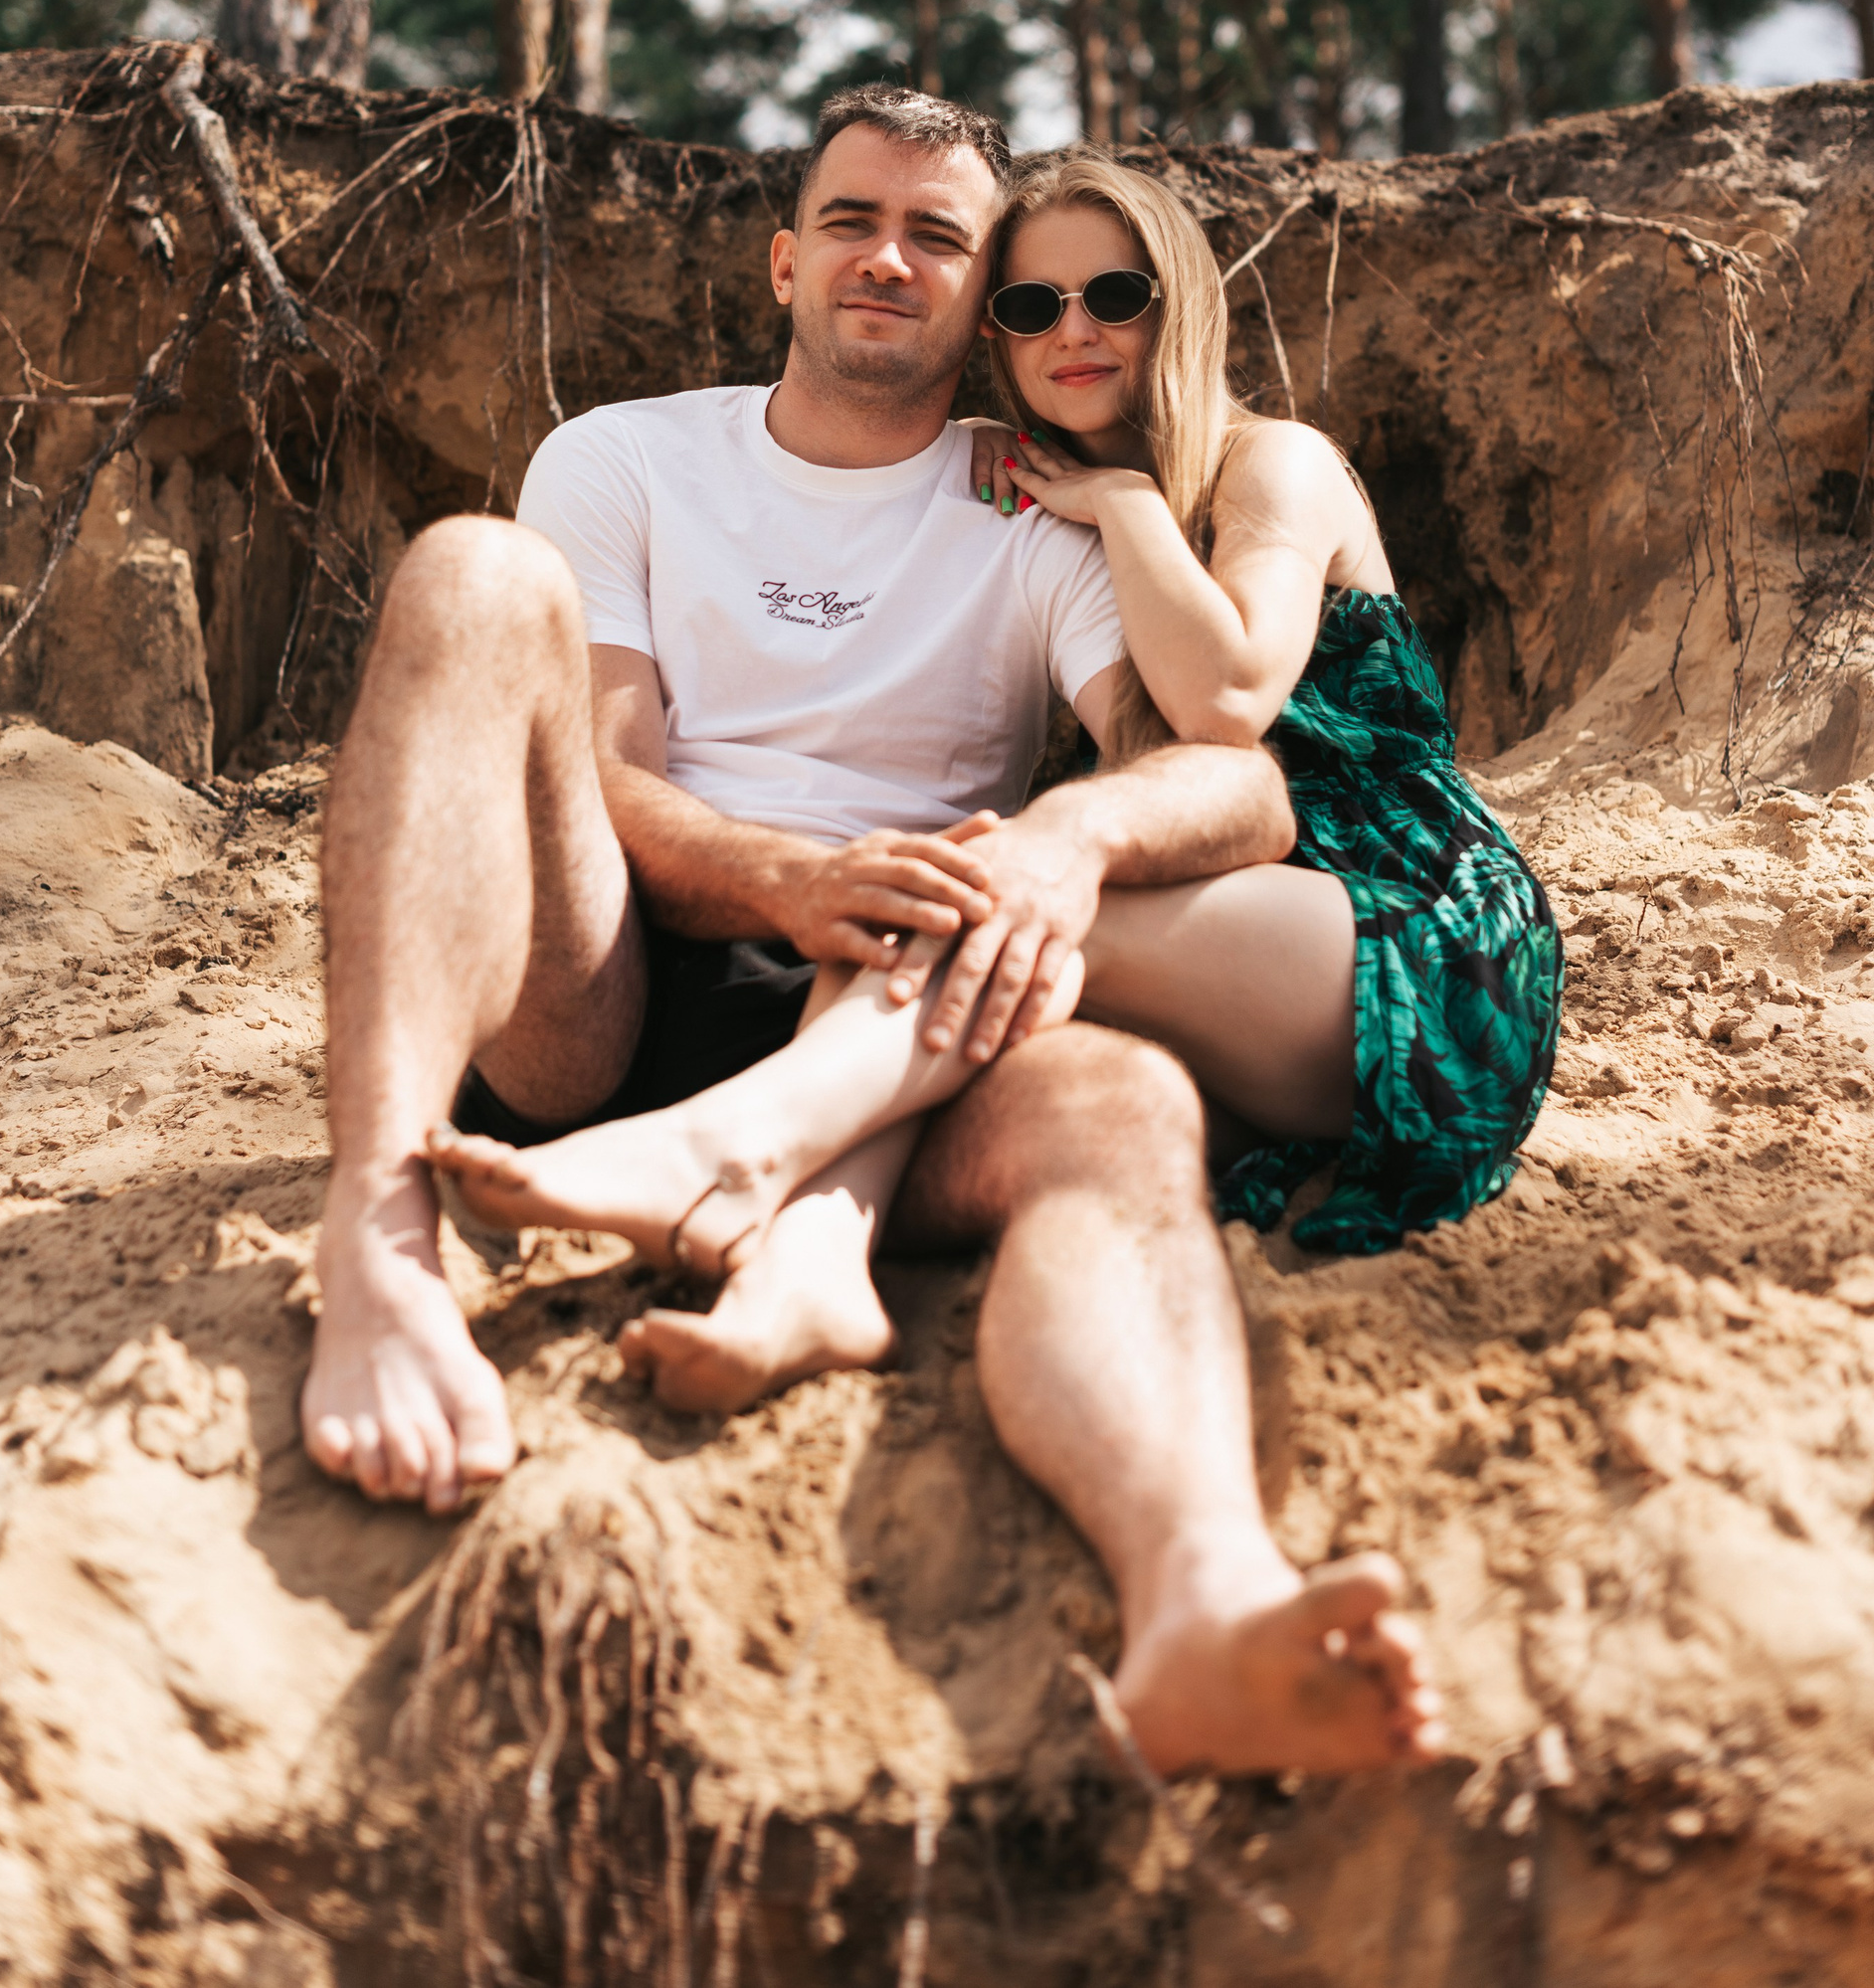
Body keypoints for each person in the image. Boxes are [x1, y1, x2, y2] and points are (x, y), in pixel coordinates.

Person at [304, 84, 1443, 1779]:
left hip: (891, 1007)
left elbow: (1225, 780)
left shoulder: (1035, 504)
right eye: (851, 221)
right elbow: (603, 778)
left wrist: (1073, 838)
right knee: (472, 573)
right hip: (602, 980)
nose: (888, 260)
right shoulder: (624, 456)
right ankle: (378, 1247)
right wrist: (780, 876)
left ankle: (1202, 1605)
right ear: (786, 260)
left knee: (1122, 1100)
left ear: (980, 301)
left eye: (939, 237)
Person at [434, 142, 1559, 1481]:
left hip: (1407, 928)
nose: (1073, 331)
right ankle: (817, 1259)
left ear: (1181, 303)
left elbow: (1230, 702)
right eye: (1032, 307)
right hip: (1238, 949)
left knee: (955, 897)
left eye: (1114, 296)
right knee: (947, 911)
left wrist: (1126, 505)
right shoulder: (1034, 499)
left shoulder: (1271, 466)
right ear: (996, 336)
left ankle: (730, 1149)